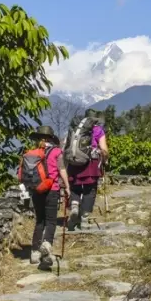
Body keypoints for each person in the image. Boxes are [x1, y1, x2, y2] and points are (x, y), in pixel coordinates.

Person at [24, 125, 70, 270]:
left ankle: (34, 252)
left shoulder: (32, 153)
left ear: (38, 138)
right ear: (51, 138)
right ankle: (47, 244)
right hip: (52, 189)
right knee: (51, 221)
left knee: (40, 221)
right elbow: (62, 169)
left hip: (37, 190)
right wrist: (67, 186)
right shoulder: (57, 151)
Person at [66, 110, 109, 231]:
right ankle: (84, 219)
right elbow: (104, 149)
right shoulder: (98, 130)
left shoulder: (76, 129)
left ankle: (74, 205)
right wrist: (105, 157)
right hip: (91, 163)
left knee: (75, 186)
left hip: (74, 162)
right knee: (90, 189)